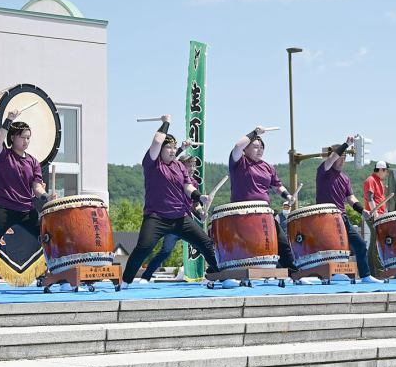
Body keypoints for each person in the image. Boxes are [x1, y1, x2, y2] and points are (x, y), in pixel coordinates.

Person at [121, 115, 219, 288]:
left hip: (180, 217)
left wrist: (200, 197)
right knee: (144, 248)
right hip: (156, 217)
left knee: (206, 243)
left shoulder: (179, 166)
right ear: (160, 149)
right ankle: (125, 281)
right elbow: (157, 140)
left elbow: (187, 187)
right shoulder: (152, 163)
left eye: (175, 147)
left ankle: (218, 275)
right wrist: (166, 122)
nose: (173, 151)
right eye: (169, 147)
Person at [228, 126, 296, 272]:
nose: (259, 150)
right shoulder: (239, 162)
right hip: (243, 213)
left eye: (261, 147)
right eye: (255, 147)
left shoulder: (267, 167)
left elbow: (277, 186)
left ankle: (293, 272)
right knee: (249, 246)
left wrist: (288, 196)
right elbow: (237, 146)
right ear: (246, 149)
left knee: (282, 243)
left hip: (264, 211)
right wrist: (254, 133)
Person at [0, 109, 56, 253]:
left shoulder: (33, 162)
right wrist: (9, 120)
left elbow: (37, 187)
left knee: (49, 238)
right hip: (4, 207)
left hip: (26, 210)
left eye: (28, 138)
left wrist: (46, 196)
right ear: (12, 137)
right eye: (23, 137)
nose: (26, 141)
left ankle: (56, 264)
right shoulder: (4, 155)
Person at [316, 136, 382, 283]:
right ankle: (333, 273)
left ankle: (365, 276)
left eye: (345, 158)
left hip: (342, 218)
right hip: (326, 217)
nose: (342, 160)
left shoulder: (345, 178)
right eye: (340, 157)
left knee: (360, 244)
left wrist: (362, 211)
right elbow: (332, 158)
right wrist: (346, 144)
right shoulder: (323, 171)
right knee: (334, 246)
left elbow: (350, 198)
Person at [139, 155, 205, 283]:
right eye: (189, 166)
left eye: (193, 166)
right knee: (165, 251)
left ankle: (213, 273)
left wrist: (201, 212)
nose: (192, 169)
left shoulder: (194, 183)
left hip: (185, 221)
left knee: (203, 244)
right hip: (172, 221)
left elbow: (195, 204)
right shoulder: (173, 180)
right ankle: (146, 276)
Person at [363, 160, 390, 274]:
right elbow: (370, 197)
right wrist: (376, 215)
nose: (387, 174)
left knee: (374, 241)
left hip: (378, 215)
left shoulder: (379, 181)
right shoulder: (371, 180)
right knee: (376, 242)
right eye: (386, 171)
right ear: (381, 169)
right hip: (374, 215)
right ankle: (378, 270)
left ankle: (372, 270)